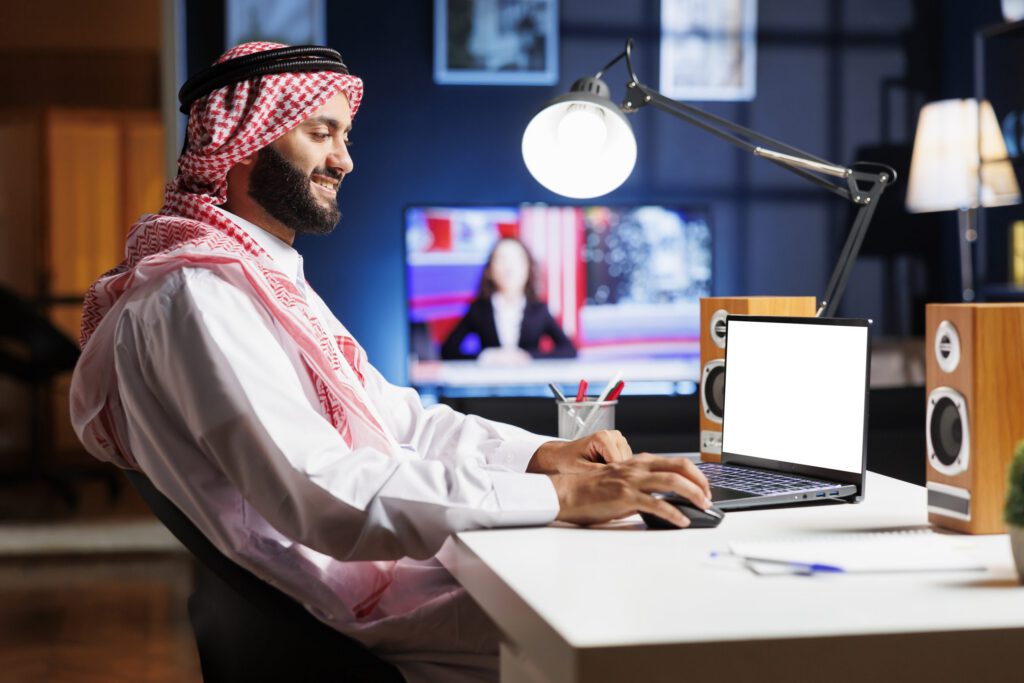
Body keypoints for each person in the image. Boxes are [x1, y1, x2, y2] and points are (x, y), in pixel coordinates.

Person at [69, 42, 711, 683]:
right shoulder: (199, 297)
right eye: (320, 133)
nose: (344, 160)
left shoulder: (249, 278)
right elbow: (322, 490)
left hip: (374, 579)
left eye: (344, 136)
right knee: (647, 622)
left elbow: (399, 420)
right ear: (243, 141)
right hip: (358, 605)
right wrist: (560, 496)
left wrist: (541, 458)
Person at [441, 237, 576, 364]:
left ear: (528, 268)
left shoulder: (539, 310)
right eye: (501, 259)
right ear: (489, 271)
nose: (509, 267)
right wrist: (485, 357)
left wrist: (529, 356)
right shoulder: (478, 309)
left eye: (516, 260)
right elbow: (448, 351)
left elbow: (569, 350)